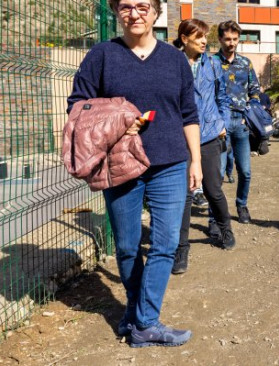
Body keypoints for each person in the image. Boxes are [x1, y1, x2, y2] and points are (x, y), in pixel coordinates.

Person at [67, 0, 200, 347]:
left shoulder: (175, 60)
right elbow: (79, 106)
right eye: (126, 6)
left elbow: (189, 113)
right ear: (116, 12)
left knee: (165, 244)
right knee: (127, 247)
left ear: (157, 11)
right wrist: (115, 124)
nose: (135, 13)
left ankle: (144, 320)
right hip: (121, 164)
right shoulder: (102, 55)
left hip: (170, 162)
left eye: (143, 5)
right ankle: (137, 314)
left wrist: (196, 161)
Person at [172, 18, 236, 275]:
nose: (204, 42)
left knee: (213, 189)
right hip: (180, 135)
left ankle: (225, 227)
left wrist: (223, 122)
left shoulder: (211, 63)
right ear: (184, 38)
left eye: (205, 37)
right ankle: (181, 248)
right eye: (199, 37)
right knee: (185, 196)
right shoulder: (172, 63)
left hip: (209, 133)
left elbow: (223, 96)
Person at [209, 20, 260, 229]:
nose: (231, 43)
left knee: (245, 171)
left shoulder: (245, 63)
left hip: (241, 123)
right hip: (219, 125)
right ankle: (214, 217)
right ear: (220, 39)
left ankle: (242, 205)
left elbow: (255, 91)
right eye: (227, 39)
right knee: (217, 174)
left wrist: (251, 111)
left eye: (235, 39)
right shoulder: (210, 62)